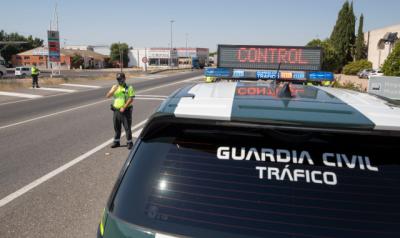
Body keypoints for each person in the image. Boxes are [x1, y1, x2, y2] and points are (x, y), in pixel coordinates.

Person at [106, 73, 136, 149]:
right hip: (116, 111)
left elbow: (131, 99)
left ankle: (129, 142)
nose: (120, 81)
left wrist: (124, 107)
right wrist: (113, 90)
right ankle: (116, 142)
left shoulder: (129, 88)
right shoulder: (115, 87)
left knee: (127, 127)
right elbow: (107, 96)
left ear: (124, 79)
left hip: (125, 111)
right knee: (116, 127)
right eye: (118, 79)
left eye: (121, 79)